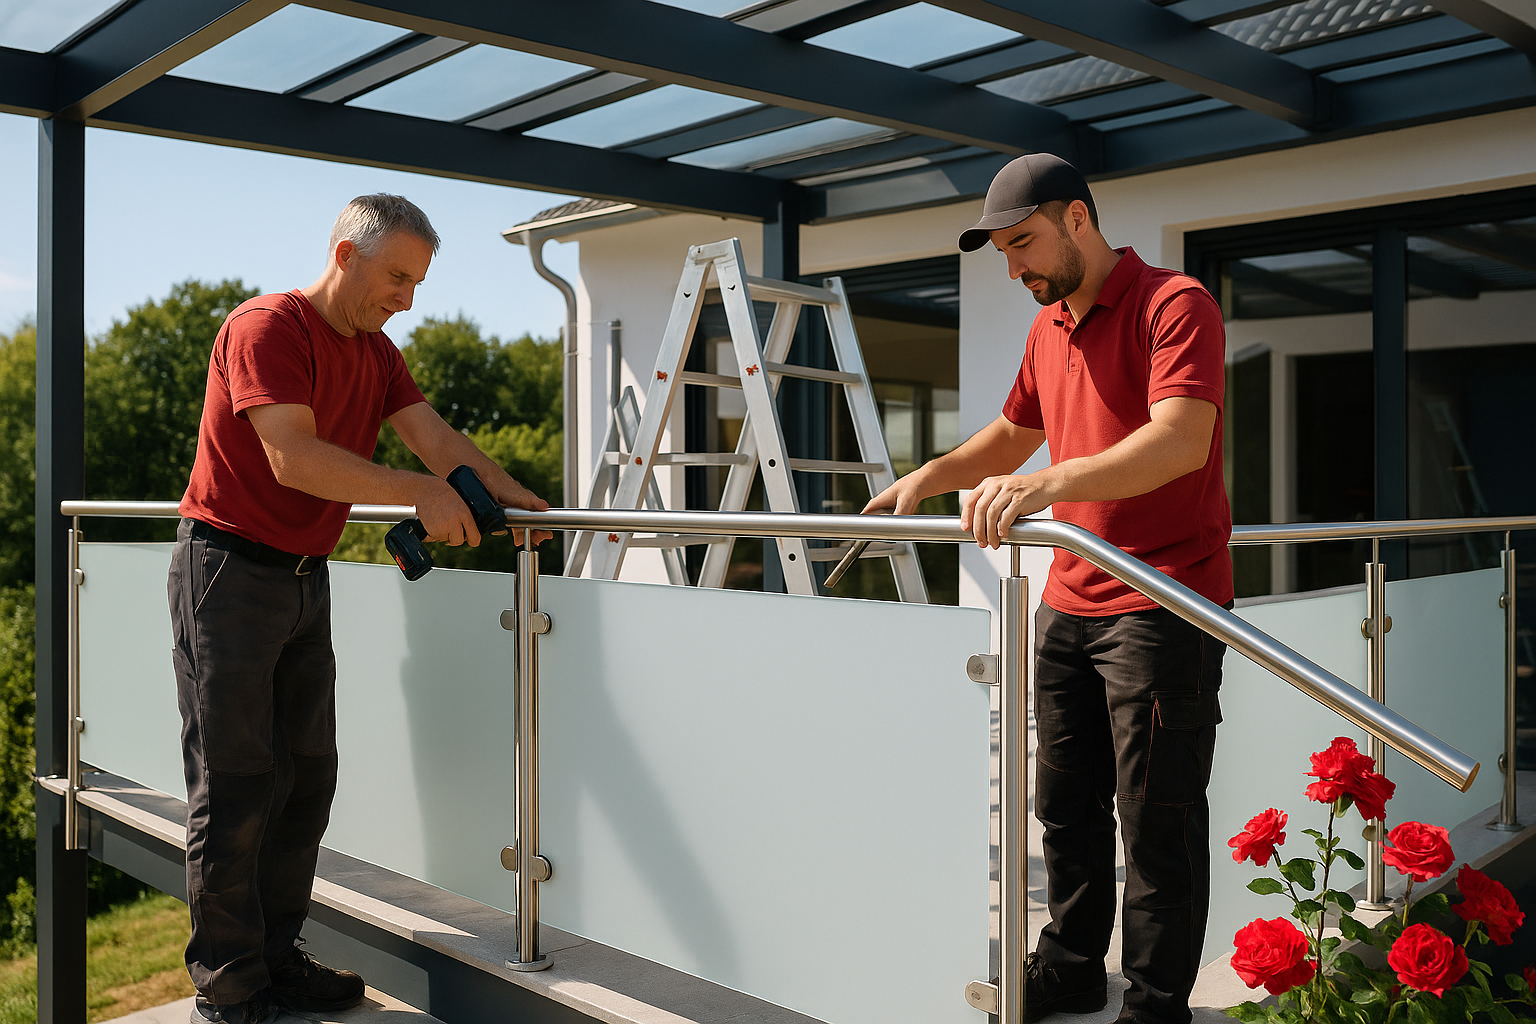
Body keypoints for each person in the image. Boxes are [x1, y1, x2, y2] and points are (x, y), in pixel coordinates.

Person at [866, 154, 1232, 1024]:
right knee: (1063, 808)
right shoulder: (1049, 329)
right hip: (1069, 601)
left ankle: (1153, 1005)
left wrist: (1046, 484)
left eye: (1022, 242)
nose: (1014, 267)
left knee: (1157, 824)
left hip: (1162, 598)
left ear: (1078, 219)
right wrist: (931, 473)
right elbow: (1009, 435)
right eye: (1001, 251)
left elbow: (1180, 440)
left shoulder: (1174, 304)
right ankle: (1070, 967)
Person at [168, 194, 552, 1024]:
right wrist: (419, 494)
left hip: (304, 577)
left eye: (417, 282)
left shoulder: (376, 353)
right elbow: (292, 459)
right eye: (398, 277)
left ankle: (276, 959)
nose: (407, 298)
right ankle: (230, 992)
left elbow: (438, 442)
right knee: (236, 786)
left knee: (306, 779)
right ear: (346, 255)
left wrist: (513, 499)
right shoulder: (266, 328)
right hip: (227, 572)